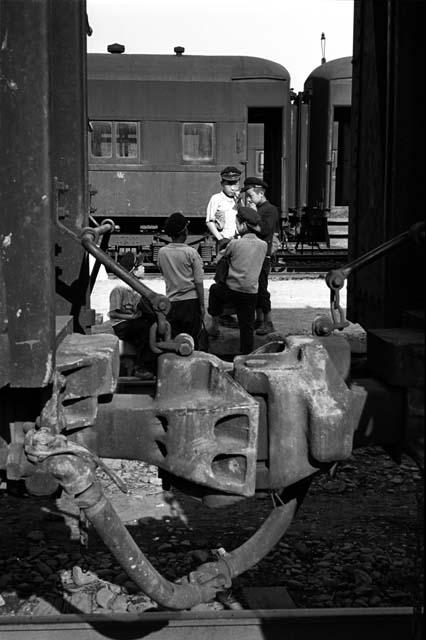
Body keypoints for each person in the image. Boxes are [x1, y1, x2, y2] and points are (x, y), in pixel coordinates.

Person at [207, 206, 267, 355]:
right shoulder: (263, 245)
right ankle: (246, 356)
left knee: (214, 290)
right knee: (246, 328)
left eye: (236, 223)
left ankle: (214, 326)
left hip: (232, 292)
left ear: (243, 225)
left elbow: (221, 258)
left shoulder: (235, 244)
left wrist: (221, 255)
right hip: (251, 295)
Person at [157, 212, 205, 348]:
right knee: (192, 341)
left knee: (176, 341)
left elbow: (163, 273)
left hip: (172, 303)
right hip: (191, 304)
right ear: (185, 231)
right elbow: (199, 282)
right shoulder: (191, 253)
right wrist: (202, 305)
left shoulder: (162, 252)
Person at [240, 177, 280, 335]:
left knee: (262, 289)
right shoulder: (258, 208)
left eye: (251, 195)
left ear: (261, 193)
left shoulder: (270, 210)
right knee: (254, 288)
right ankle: (259, 319)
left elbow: (263, 229)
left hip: (263, 255)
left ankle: (268, 321)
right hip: (252, 254)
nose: (248, 199)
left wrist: (251, 217)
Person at [108, 252, 156, 380]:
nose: (143, 267)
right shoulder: (119, 289)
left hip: (131, 321)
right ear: (133, 270)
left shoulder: (136, 287)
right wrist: (132, 318)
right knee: (145, 330)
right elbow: (112, 314)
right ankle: (141, 367)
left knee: (151, 324)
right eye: (140, 266)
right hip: (121, 325)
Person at [206, 166, 242, 328]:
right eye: (229, 183)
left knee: (236, 278)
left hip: (239, 243)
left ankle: (231, 312)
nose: (233, 186)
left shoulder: (240, 199)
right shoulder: (216, 199)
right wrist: (220, 239)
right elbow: (209, 221)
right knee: (222, 277)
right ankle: (221, 314)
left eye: (235, 183)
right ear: (222, 183)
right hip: (224, 242)